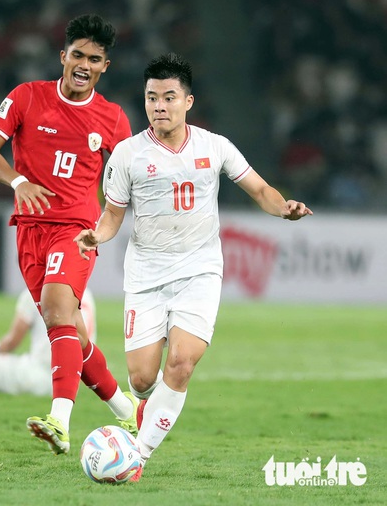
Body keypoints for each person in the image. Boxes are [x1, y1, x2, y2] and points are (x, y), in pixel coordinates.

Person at [74, 52, 313, 471]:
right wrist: (96, 236)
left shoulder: (214, 146)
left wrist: (284, 208)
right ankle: (143, 413)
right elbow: (112, 216)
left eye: (168, 97)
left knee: (181, 364)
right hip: (146, 274)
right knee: (143, 379)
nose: (159, 106)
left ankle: (138, 457)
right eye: (151, 98)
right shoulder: (128, 155)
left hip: (199, 271)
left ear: (188, 102)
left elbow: (260, 189)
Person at [0, 14, 138, 456]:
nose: (85, 64)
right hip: (29, 232)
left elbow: (132, 177)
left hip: (77, 231)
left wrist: (108, 225)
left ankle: (60, 421)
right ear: (63, 56)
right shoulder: (27, 97)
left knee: (57, 311)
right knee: (70, 333)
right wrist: (17, 182)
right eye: (79, 55)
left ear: (105, 67)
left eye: (96, 59)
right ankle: (129, 411)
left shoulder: (112, 118)